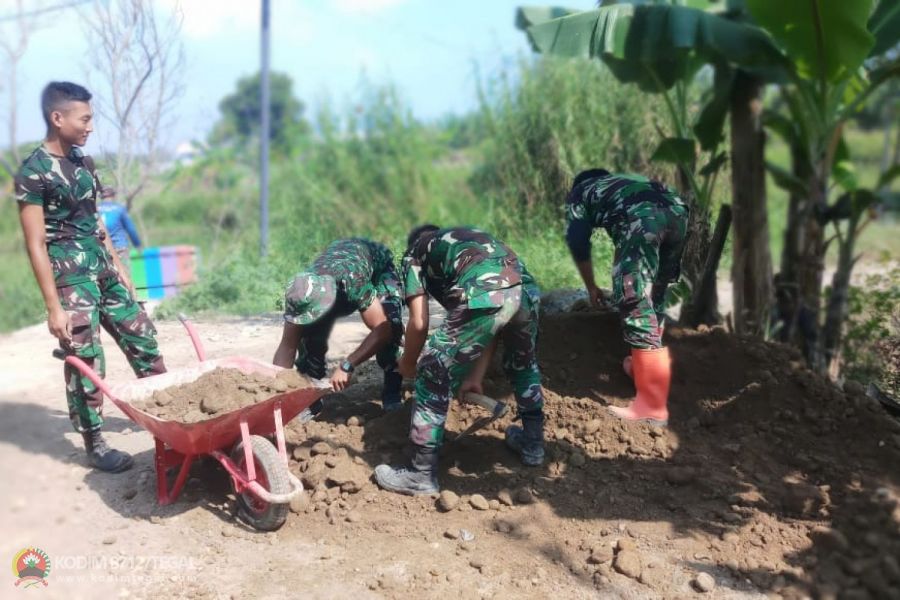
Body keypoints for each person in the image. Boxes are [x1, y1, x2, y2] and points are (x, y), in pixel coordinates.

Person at [16, 82, 167, 472]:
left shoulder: (84, 162)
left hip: (102, 267)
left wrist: (120, 267)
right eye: (84, 118)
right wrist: (54, 308)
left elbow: (97, 219)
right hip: (70, 277)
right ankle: (94, 442)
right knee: (85, 358)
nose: (90, 126)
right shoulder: (33, 173)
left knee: (143, 337)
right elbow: (35, 244)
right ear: (57, 117)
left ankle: (170, 413)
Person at [374, 225, 545, 496]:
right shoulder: (469, 244)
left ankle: (419, 474)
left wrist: (408, 364)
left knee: (432, 369)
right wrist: (474, 378)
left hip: (486, 292)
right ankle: (533, 444)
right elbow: (492, 324)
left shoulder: (414, 254)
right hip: (526, 293)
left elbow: (418, 323)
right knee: (522, 365)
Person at [565, 169, 689, 426]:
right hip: (678, 213)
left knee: (633, 298)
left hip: (644, 218)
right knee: (655, 292)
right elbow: (626, 239)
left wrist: (591, 287)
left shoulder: (581, 192)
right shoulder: (624, 185)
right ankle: (644, 369)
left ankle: (652, 407)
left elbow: (577, 241)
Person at [272, 238, 404, 411]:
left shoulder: (351, 280)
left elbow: (382, 329)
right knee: (310, 336)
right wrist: (276, 387)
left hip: (376, 266)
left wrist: (348, 365)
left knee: (392, 327)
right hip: (337, 268)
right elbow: (287, 345)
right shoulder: (300, 290)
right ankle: (312, 398)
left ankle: (392, 394)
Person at [98, 186, 142, 276]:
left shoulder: (95, 210)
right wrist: (137, 245)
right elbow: (131, 229)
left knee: (107, 279)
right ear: (113, 196)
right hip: (120, 247)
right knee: (125, 277)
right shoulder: (119, 209)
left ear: (101, 197)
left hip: (103, 249)